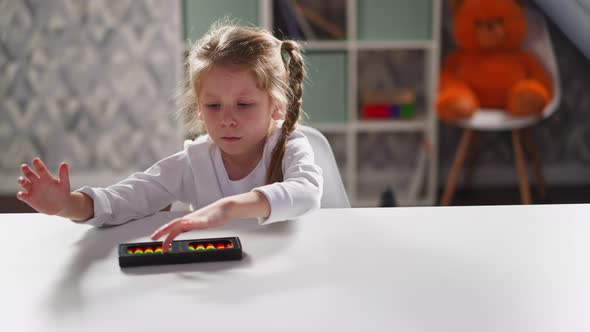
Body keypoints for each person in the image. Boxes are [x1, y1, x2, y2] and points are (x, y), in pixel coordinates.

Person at [15, 22, 323, 252]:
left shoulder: (290, 146)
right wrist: (69, 204)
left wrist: (227, 208)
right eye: (213, 106)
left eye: (244, 105)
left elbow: (307, 192)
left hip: (287, 266)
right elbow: (131, 198)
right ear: (199, 112)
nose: (227, 119)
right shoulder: (195, 161)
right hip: (219, 277)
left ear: (276, 105)